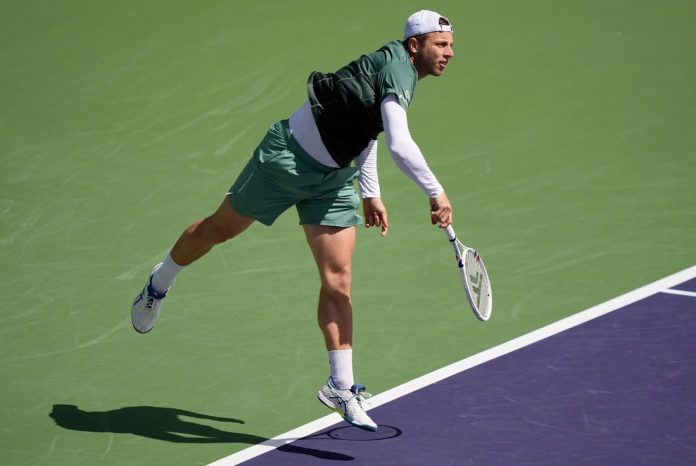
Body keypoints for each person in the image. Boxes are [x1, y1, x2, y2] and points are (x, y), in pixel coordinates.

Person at [131, 10, 455, 432]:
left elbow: (366, 128)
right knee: (218, 230)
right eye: (440, 44)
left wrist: (369, 191)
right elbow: (399, 143)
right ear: (415, 45)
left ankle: (341, 386)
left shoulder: (396, 70)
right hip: (285, 163)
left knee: (338, 279)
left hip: (333, 180)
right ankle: (160, 282)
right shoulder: (399, 70)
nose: (449, 53)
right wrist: (435, 191)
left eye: (450, 45)